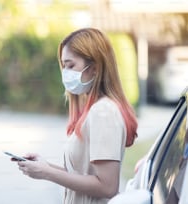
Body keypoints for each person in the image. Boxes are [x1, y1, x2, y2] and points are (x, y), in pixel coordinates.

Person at [13, 28, 138, 204]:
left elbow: (107, 186)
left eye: (71, 65)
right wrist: (45, 166)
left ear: (94, 68)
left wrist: (47, 173)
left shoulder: (104, 112)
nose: (66, 73)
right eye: (64, 66)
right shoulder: (94, 109)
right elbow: (84, 175)